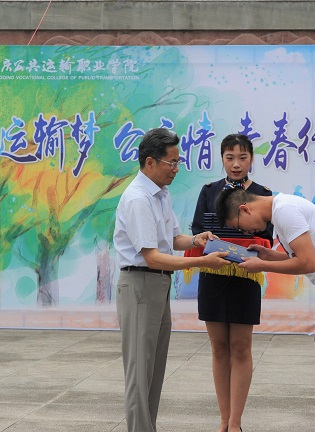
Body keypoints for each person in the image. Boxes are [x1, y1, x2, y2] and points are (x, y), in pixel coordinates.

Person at [215, 188, 315, 432]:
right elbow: (305, 257)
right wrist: (269, 256)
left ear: (244, 209)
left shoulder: (285, 212)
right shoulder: (285, 209)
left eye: (240, 226)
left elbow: (307, 263)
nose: (247, 232)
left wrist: (262, 266)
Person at [113, 127, 230, 432]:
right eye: (171, 163)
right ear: (150, 162)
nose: (176, 169)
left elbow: (173, 239)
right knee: (139, 374)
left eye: (178, 162)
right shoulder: (138, 199)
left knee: (153, 371)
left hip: (157, 286)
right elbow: (151, 256)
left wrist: (196, 240)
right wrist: (202, 261)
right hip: (140, 285)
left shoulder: (160, 194)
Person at [191, 134, 273, 432]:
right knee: (218, 348)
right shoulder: (208, 191)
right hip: (212, 275)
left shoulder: (263, 194)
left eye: (242, 157)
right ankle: (223, 419)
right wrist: (206, 239)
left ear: (251, 159)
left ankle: (236, 422)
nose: (236, 164)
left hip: (246, 276)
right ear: (222, 159)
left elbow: (268, 237)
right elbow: (197, 231)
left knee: (240, 347)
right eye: (229, 157)